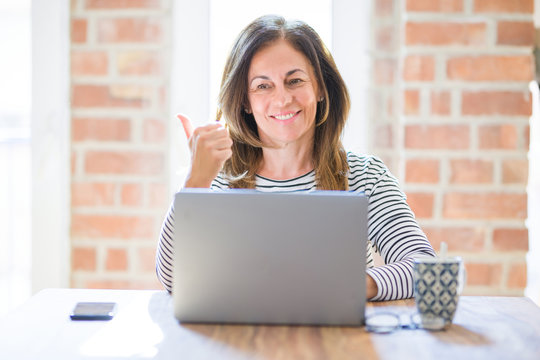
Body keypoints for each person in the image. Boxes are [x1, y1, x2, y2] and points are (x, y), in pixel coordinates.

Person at [156, 15, 435, 301]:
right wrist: (195, 183)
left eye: (295, 81)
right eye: (263, 86)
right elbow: (172, 280)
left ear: (321, 89)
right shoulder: (215, 182)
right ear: (245, 102)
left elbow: (423, 267)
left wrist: (353, 286)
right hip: (239, 342)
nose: (282, 99)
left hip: (338, 344)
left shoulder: (366, 176)